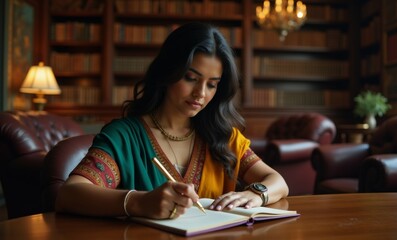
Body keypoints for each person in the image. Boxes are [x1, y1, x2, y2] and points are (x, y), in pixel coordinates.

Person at [55, 22, 289, 220]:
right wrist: (139, 202)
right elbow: (70, 194)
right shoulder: (125, 137)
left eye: (212, 84)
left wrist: (257, 193)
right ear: (168, 72)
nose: (201, 93)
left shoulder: (223, 137)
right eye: (191, 78)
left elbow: (277, 181)